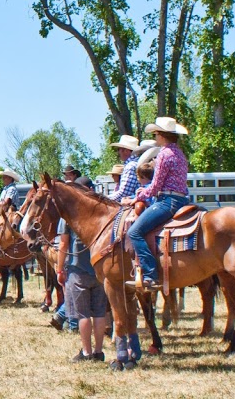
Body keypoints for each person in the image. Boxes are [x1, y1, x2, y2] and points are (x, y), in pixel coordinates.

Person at [123, 117, 190, 292]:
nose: (155, 137)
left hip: (167, 201)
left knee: (135, 231)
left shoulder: (164, 154)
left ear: (162, 135)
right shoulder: (180, 154)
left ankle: (150, 274)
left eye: (156, 133)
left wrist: (137, 197)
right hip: (183, 199)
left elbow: (155, 186)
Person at [58, 216, 106, 361]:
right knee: (99, 313)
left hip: (78, 270)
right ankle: (98, 351)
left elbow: (63, 244)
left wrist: (59, 269)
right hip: (98, 269)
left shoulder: (66, 217)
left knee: (82, 314)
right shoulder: (97, 212)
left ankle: (86, 352)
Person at [107, 135, 141, 202]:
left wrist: (104, 199)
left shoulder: (130, 166)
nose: (118, 152)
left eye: (119, 149)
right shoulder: (137, 162)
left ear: (126, 150)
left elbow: (124, 193)